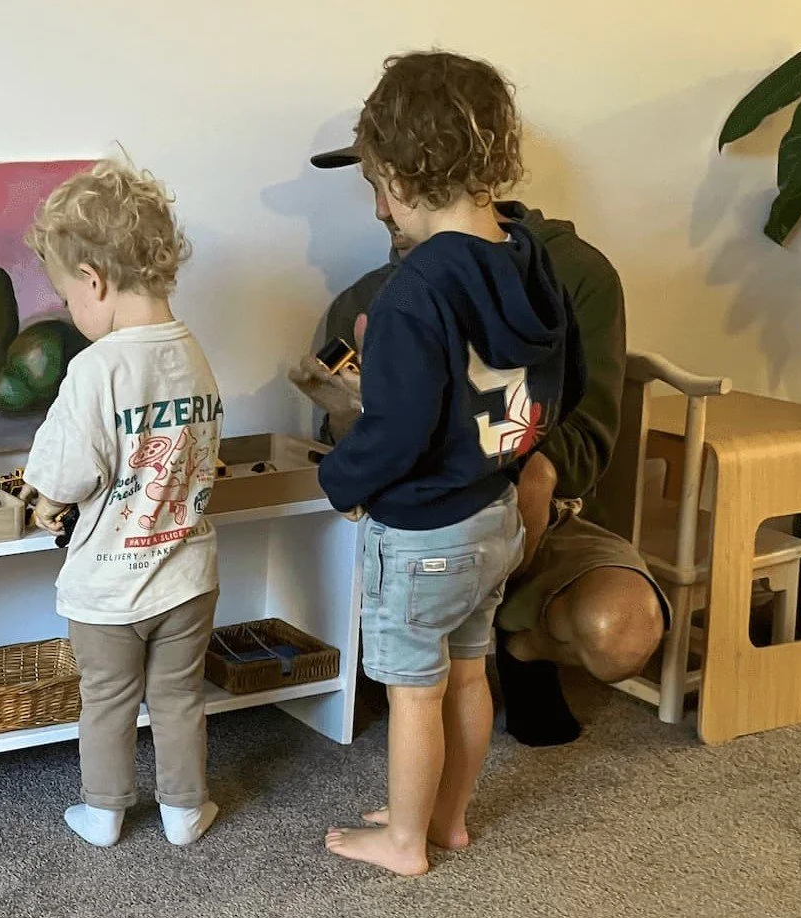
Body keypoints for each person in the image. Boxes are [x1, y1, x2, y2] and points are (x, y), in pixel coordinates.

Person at [298, 88, 666, 753]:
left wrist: (533, 482)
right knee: (434, 658)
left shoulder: (571, 272)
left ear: (436, 173)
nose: (379, 206)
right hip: (428, 524)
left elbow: (587, 419)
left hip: (529, 518)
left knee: (622, 630)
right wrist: (344, 409)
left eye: (389, 182)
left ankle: (523, 648)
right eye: (373, 184)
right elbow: (355, 442)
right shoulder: (365, 301)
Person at [310, 51, 582, 876]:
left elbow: (394, 431)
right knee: (468, 674)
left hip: (424, 527)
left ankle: (404, 841)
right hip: (495, 516)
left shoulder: (413, 289)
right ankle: (447, 818)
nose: (378, 202)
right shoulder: (531, 258)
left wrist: (341, 481)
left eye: (374, 183)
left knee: (413, 691)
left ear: (395, 174)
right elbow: (567, 385)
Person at [20, 158, 224, 848]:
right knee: (178, 698)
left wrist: (45, 500)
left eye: (64, 296)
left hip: (110, 583)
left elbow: (66, 473)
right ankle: (184, 811)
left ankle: (104, 813)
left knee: (106, 701)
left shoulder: (97, 368)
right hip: (188, 574)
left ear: (93, 282)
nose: (69, 313)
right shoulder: (192, 353)